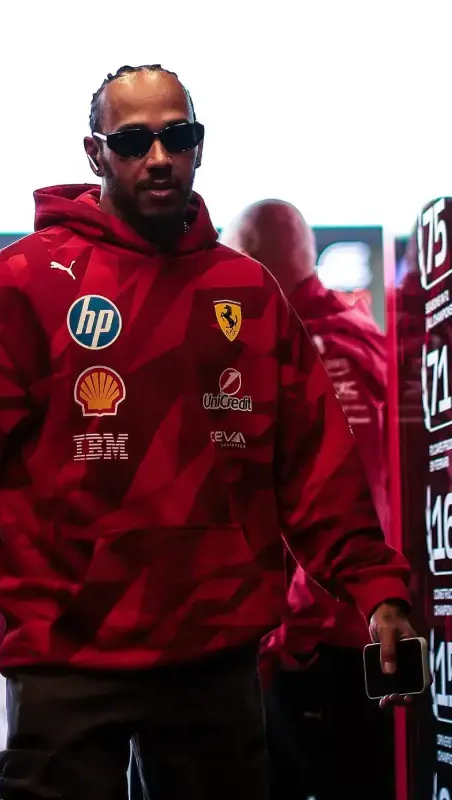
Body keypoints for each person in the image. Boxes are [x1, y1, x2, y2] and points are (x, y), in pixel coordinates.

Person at [0, 65, 415, 800]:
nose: (159, 157)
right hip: (66, 661)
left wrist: (377, 589)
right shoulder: (25, 283)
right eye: (133, 141)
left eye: (177, 136)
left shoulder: (248, 294)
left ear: (200, 146)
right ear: (95, 154)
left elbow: (316, 468)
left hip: (216, 660)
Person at [222, 199, 394, 799]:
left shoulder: (312, 350)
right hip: (356, 632)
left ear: (255, 263)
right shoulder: (358, 334)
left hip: (319, 645)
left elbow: (351, 494)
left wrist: (292, 632)